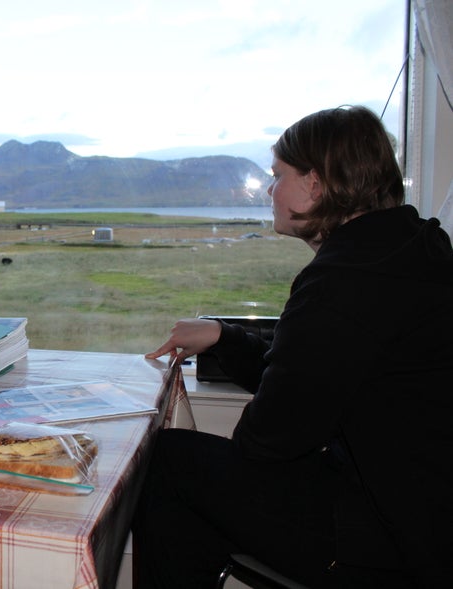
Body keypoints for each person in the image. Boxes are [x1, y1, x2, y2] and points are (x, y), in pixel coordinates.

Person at [132, 106, 453, 588]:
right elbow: (318, 376)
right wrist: (225, 336)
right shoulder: (410, 249)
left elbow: (268, 438)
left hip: (385, 540)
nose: (269, 190)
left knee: (170, 463)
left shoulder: (343, 281)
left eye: (279, 175)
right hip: (421, 512)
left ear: (317, 184)